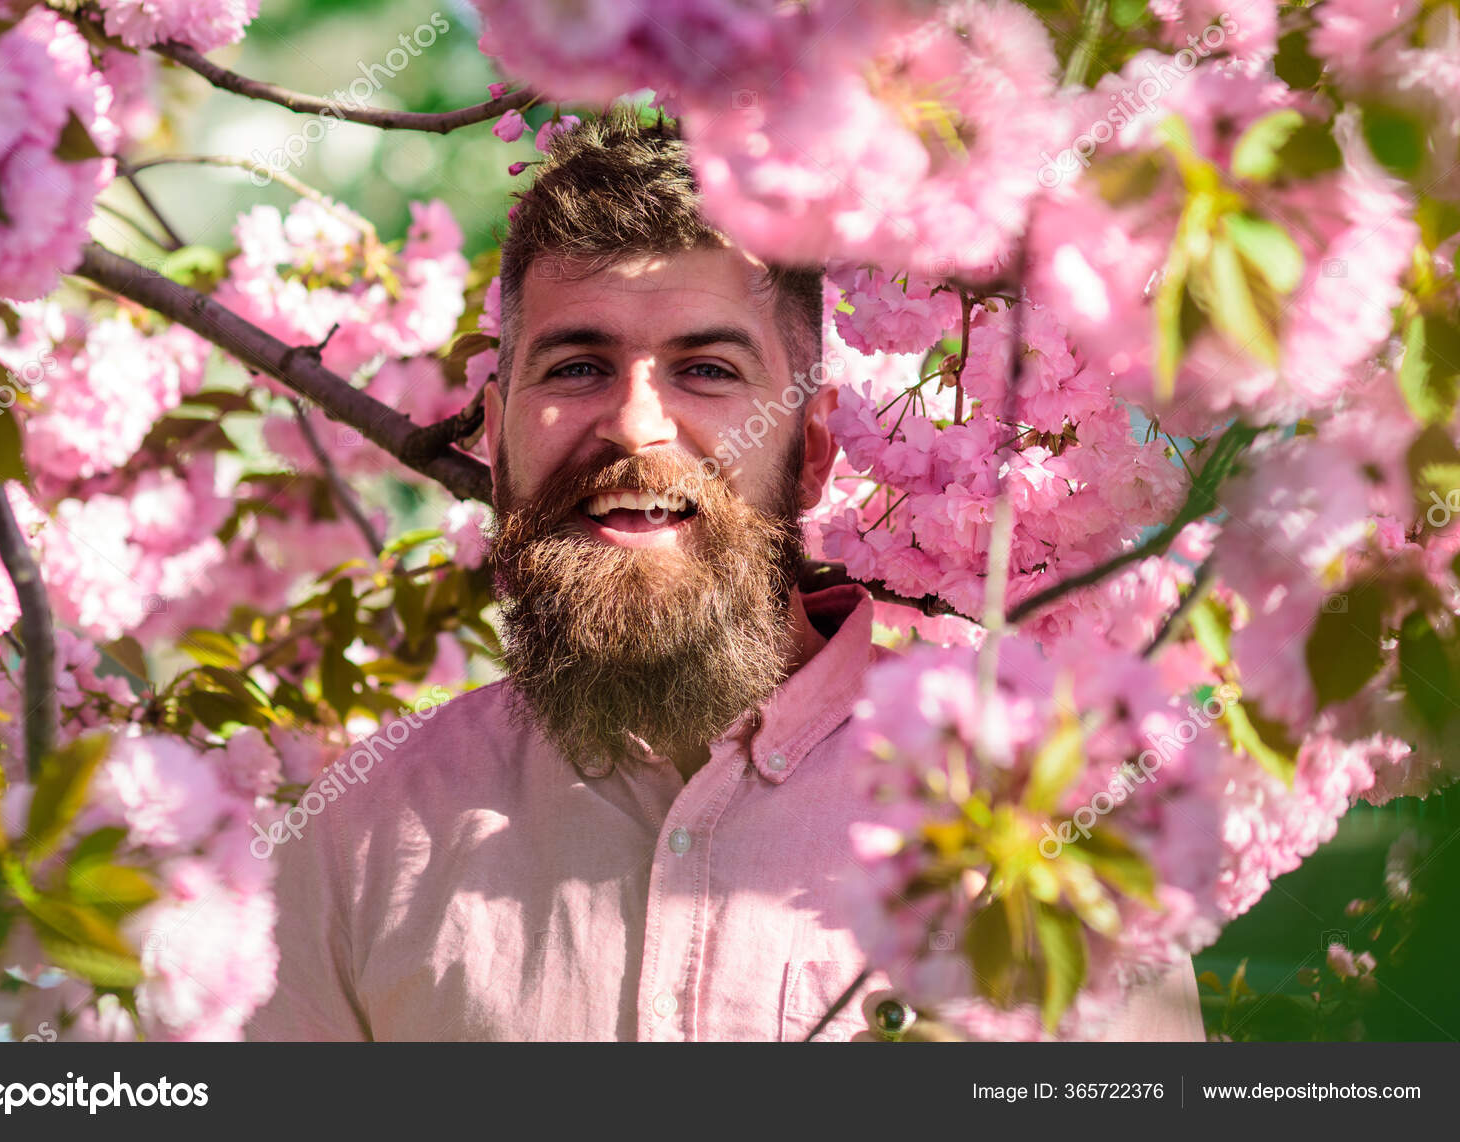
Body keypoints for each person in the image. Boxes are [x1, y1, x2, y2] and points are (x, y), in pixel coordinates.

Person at [245, 113, 1205, 1042]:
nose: (634, 425)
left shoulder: (1047, 811)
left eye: (706, 369)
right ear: (493, 439)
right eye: (577, 367)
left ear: (816, 449)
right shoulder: (356, 842)